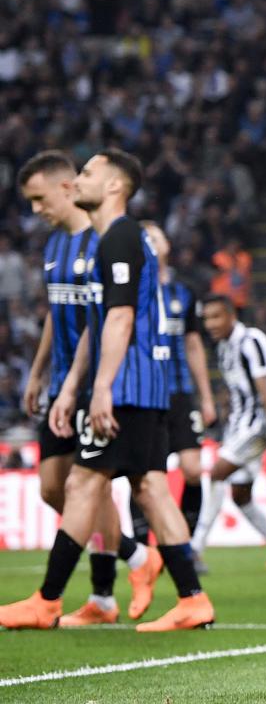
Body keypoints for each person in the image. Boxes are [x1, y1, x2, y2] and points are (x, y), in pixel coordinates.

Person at [1, 149, 213, 631]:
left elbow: (119, 317)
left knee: (84, 484)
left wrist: (99, 389)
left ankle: (49, 599)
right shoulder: (108, 239)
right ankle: (189, 596)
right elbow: (96, 324)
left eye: (89, 172)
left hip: (128, 385)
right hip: (133, 385)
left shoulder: (118, 239)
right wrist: (73, 381)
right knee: (149, 488)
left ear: (115, 185)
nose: (80, 179)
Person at [14, 150, 162, 626]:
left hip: (95, 382)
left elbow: (104, 321)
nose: (36, 210)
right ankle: (137, 557)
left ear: (65, 188)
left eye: (39, 199)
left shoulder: (102, 240)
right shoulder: (56, 246)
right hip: (62, 382)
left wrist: (86, 385)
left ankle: (100, 597)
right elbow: (59, 319)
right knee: (54, 489)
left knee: (87, 486)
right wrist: (39, 374)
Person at [129, 223, 217, 576]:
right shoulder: (131, 292)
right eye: (144, 237)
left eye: (156, 235)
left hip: (180, 394)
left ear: (167, 245)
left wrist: (206, 396)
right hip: (146, 393)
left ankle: (188, 547)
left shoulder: (183, 293)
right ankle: (143, 550)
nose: (151, 240)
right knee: (142, 475)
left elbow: (194, 345)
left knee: (194, 470)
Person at [191, 295, 266, 570]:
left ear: (230, 315)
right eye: (206, 319)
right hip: (238, 426)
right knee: (241, 494)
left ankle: (194, 549)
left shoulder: (251, 340)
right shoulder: (225, 347)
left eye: (216, 317)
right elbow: (236, 389)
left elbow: (265, 387)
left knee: (216, 473)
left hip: (257, 425)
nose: (210, 324)